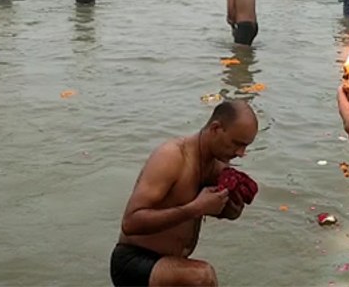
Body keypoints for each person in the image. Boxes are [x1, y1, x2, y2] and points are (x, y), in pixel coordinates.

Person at [111, 101, 259, 287]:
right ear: (215, 128)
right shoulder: (172, 156)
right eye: (236, 143)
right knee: (202, 277)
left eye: (246, 146)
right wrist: (196, 209)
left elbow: (219, 210)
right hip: (133, 261)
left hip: (174, 262)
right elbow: (130, 223)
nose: (241, 153)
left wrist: (230, 210)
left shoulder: (218, 165)